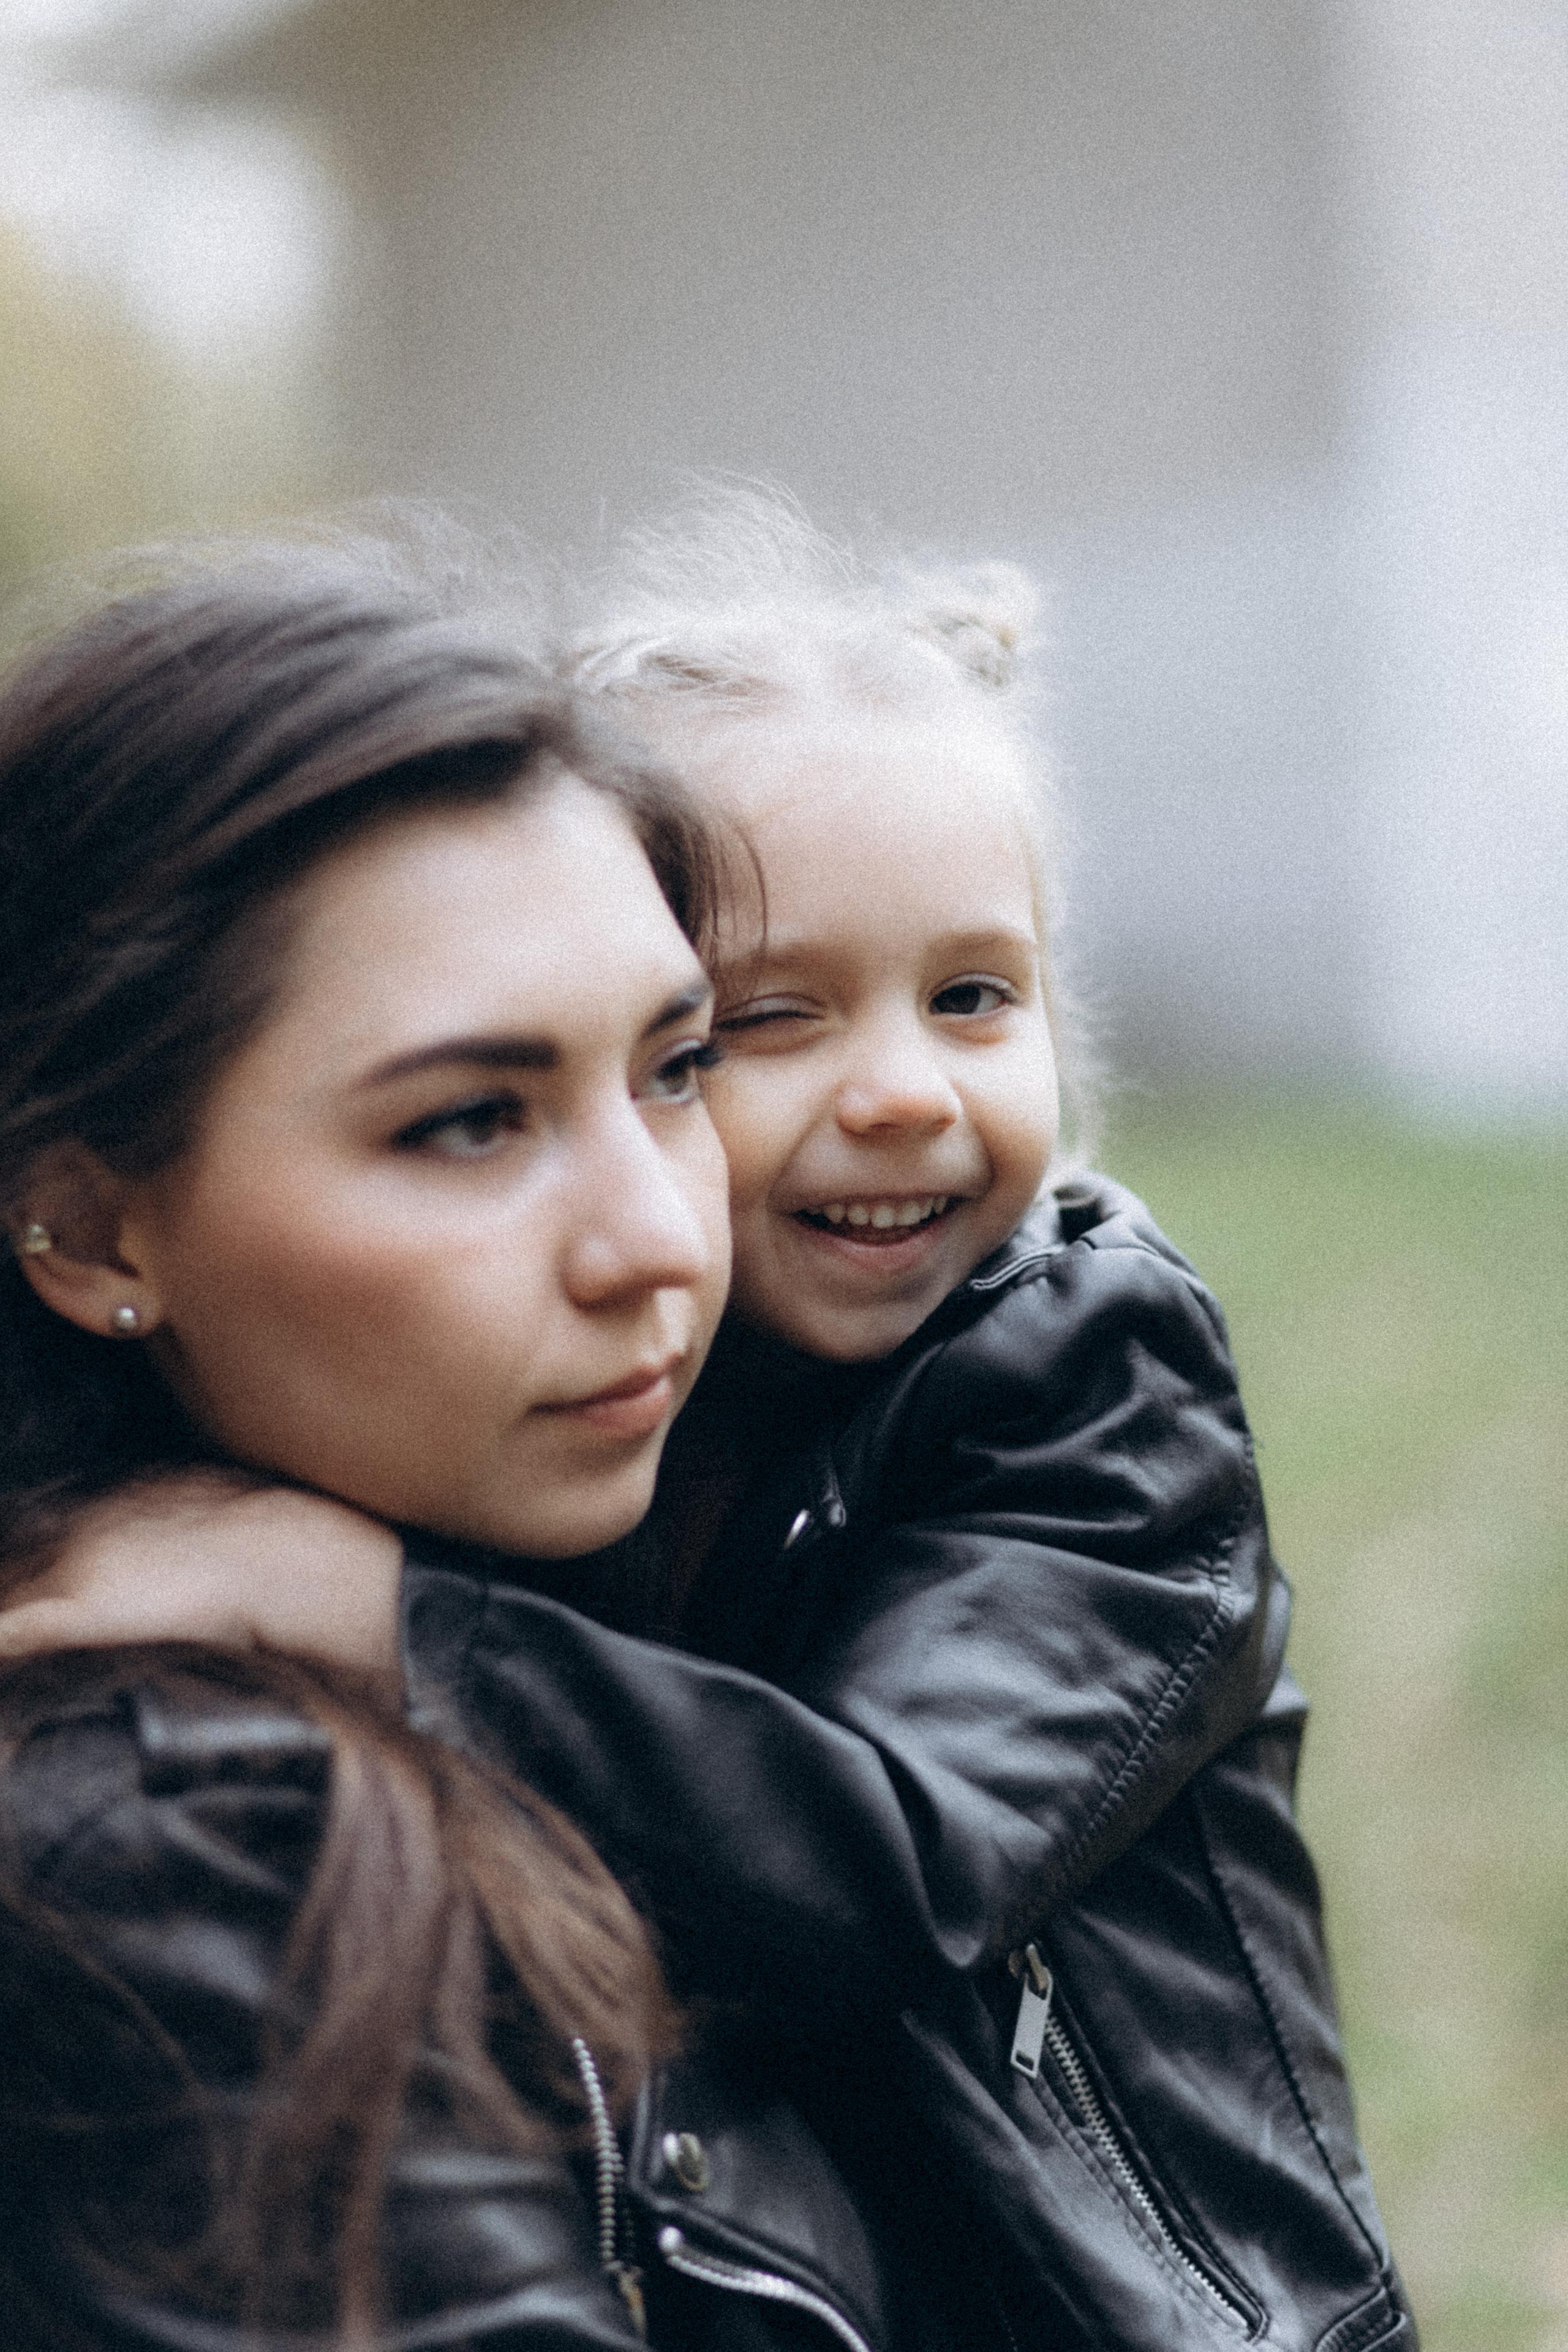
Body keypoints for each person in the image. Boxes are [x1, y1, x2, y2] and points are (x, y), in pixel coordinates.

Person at [5, 508, 1419, 2351]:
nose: (902, 1095)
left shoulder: (1086, 1379)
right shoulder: (582, 1408)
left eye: (976, 997)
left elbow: (890, 1866)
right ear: (90, 1223)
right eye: (765, 1029)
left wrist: (371, 1611)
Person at [0, 543, 918, 2352]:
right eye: (471, 1123)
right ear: (97, 1234)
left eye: (675, 1070)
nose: (659, 1237)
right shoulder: (179, 1860)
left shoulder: (722, 1547)